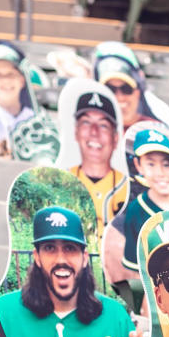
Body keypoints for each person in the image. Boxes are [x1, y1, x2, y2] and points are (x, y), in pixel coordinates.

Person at [0, 206, 143, 337]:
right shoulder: (4, 314)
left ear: (84, 258)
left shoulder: (114, 316)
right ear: (37, 257)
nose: (61, 259)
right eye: (50, 248)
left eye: (70, 248)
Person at [121, 128, 169, 273]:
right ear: (139, 166)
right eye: (151, 164)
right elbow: (136, 270)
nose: (160, 173)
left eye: (166, 165)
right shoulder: (135, 210)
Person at [68, 89, 129, 234]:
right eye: (86, 122)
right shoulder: (57, 182)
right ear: (76, 132)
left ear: (115, 138)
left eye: (103, 125)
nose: (94, 132)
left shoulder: (131, 190)